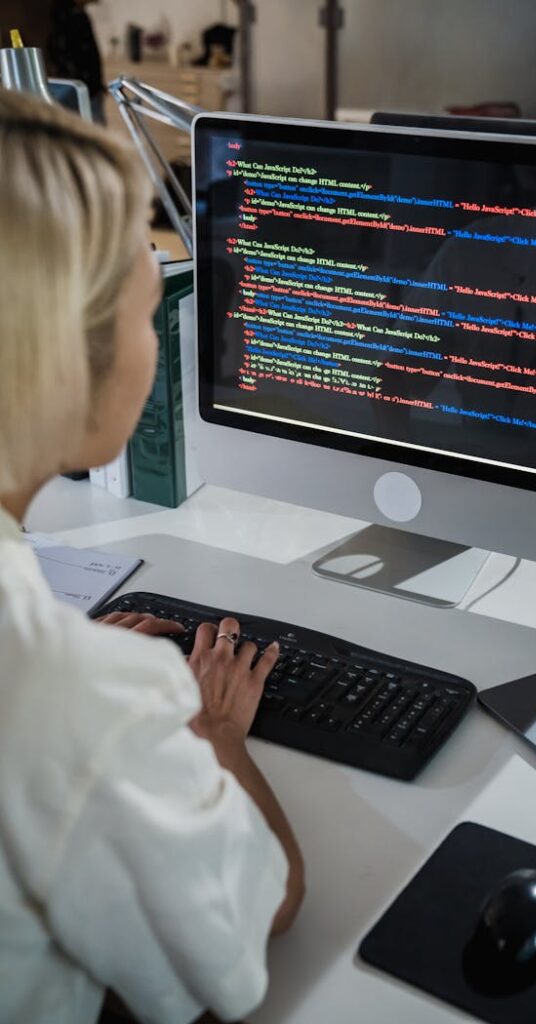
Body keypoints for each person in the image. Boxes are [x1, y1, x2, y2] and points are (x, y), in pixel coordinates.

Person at [0, 88, 304, 1024]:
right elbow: (254, 924)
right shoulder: (70, 694)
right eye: (147, 313)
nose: (156, 343)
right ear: (61, 354)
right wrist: (207, 731)